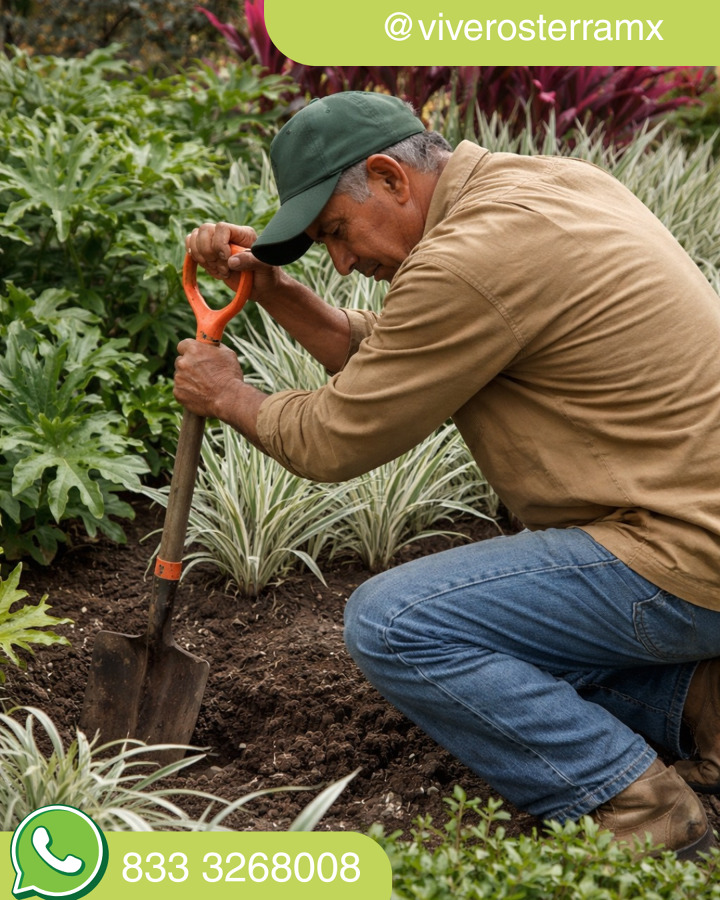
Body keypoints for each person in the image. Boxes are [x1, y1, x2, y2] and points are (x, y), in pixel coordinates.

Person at [175, 91, 720, 859]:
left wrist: (228, 397)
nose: (341, 262)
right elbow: (399, 355)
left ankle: (642, 812)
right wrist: (277, 292)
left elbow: (334, 439)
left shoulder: (469, 261)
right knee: (497, 623)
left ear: (389, 177)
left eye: (335, 230)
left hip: (681, 556)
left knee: (399, 625)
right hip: (699, 534)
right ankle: (702, 702)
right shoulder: (551, 185)